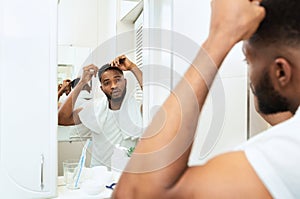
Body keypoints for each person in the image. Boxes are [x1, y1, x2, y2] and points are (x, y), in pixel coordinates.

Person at [112, 0, 300, 198]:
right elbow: (275, 113)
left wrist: (221, 35)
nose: (250, 76)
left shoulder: (288, 150)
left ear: (280, 72)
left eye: (248, 61)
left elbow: (137, 193)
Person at [58, 55, 143, 168]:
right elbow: (62, 119)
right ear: (102, 88)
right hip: (99, 177)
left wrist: (133, 67)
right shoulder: (94, 109)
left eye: (117, 80)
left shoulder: (138, 109)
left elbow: (155, 96)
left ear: (125, 82)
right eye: (107, 83)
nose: (113, 86)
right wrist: (82, 82)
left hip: (127, 177)